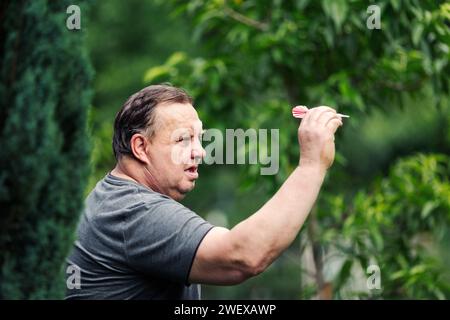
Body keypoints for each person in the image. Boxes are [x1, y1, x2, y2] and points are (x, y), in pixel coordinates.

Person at [65, 84, 343, 299]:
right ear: (140, 148)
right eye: (183, 139)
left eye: (200, 138)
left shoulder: (115, 200)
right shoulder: (131, 212)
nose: (200, 152)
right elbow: (243, 256)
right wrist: (311, 164)